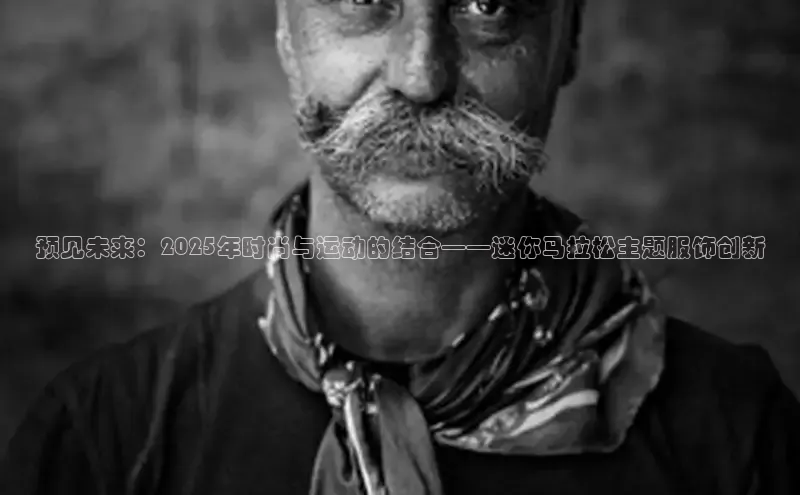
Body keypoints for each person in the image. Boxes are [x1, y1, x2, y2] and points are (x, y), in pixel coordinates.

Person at [2, 0, 799, 494]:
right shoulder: (105, 442)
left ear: (571, 34)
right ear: (285, 29)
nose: (421, 75)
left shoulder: (735, 438)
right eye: (362, 0)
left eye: (488, 6)